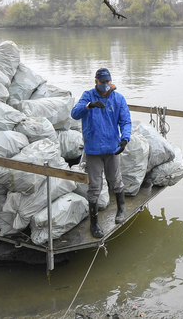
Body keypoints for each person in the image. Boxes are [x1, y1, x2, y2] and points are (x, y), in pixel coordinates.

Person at [71, 67, 132, 238]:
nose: (106, 85)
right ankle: (94, 224)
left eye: (108, 82)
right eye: (102, 82)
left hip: (112, 148)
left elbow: (126, 121)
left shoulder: (118, 99)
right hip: (93, 149)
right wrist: (89, 106)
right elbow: (74, 114)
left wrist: (125, 139)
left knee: (115, 181)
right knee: (94, 187)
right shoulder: (87, 96)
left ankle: (121, 209)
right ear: (96, 82)